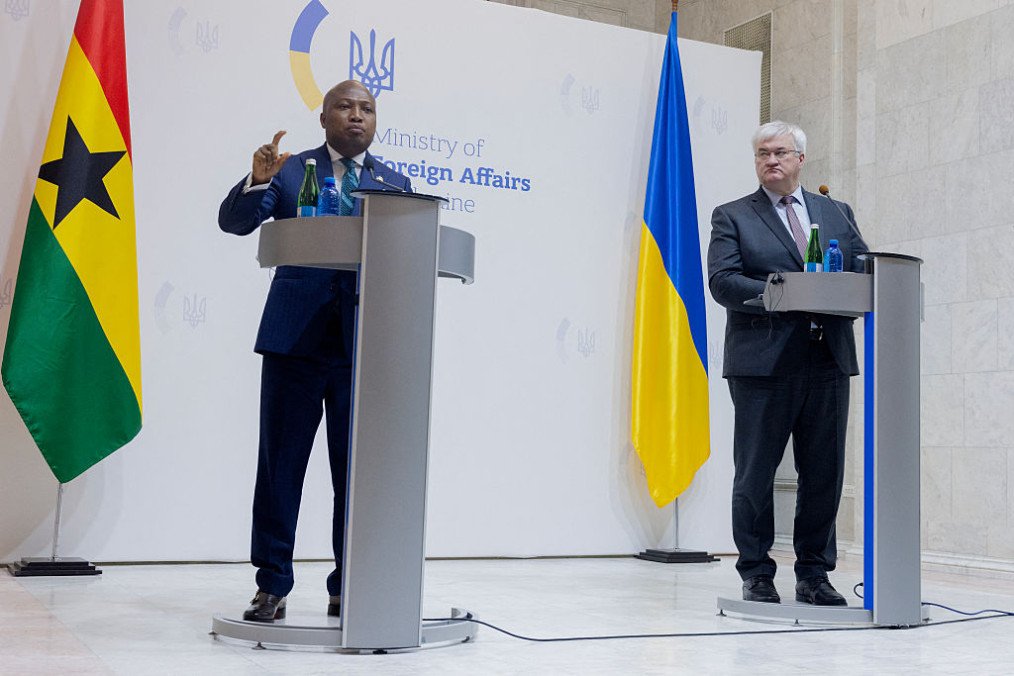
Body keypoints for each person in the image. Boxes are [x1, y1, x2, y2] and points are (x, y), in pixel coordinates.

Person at [218, 80, 412, 622]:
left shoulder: (395, 184)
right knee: (280, 469)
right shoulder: (288, 171)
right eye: (345, 107)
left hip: (363, 348)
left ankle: (349, 585)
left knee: (355, 475)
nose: (357, 115)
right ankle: (272, 584)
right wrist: (258, 181)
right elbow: (234, 223)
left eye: (367, 108)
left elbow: (405, 259)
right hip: (294, 342)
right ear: (324, 118)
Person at [707, 120, 868, 606]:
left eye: (779, 152)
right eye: (762, 153)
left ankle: (814, 575)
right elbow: (723, 282)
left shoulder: (835, 212)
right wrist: (784, 294)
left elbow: (862, 269)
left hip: (827, 359)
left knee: (824, 475)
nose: (770, 160)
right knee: (755, 474)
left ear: (800, 159)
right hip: (763, 364)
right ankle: (756, 572)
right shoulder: (733, 215)